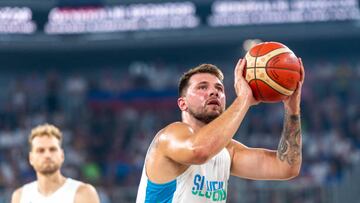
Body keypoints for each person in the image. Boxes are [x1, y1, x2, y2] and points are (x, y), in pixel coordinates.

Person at [136, 58, 305, 202]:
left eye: (219, 89)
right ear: (183, 103)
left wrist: (292, 109)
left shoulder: (228, 150)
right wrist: (244, 99)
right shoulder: (170, 135)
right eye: (202, 87)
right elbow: (199, 150)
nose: (213, 92)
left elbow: (286, 167)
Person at [11, 124, 100, 203]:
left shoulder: (83, 193)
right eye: (40, 150)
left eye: (52, 149)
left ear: (62, 155)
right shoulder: (20, 196)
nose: (47, 155)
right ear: (31, 158)